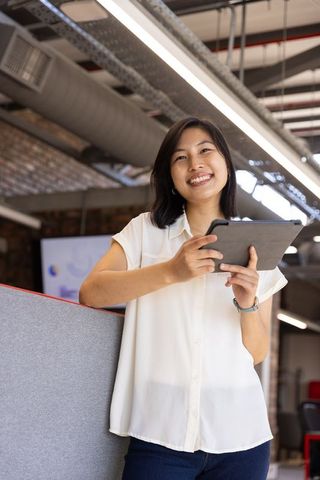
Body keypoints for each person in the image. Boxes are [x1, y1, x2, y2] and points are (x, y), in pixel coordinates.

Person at [79, 117, 287, 480]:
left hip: (241, 436)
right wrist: (172, 271)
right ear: (170, 176)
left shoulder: (258, 244)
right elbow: (91, 292)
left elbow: (255, 352)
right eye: (181, 158)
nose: (196, 165)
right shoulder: (145, 232)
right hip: (160, 433)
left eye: (206, 151)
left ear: (225, 162)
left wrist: (248, 301)